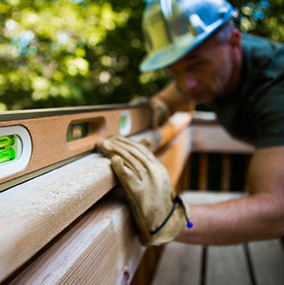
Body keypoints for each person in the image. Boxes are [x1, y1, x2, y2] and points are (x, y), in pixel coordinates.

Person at [97, 0, 284, 246]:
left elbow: (276, 212)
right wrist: (149, 112)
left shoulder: (276, 87)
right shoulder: (216, 67)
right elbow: (170, 97)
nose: (188, 84)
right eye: (174, 71)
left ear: (234, 41)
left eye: (197, 64)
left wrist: (172, 217)